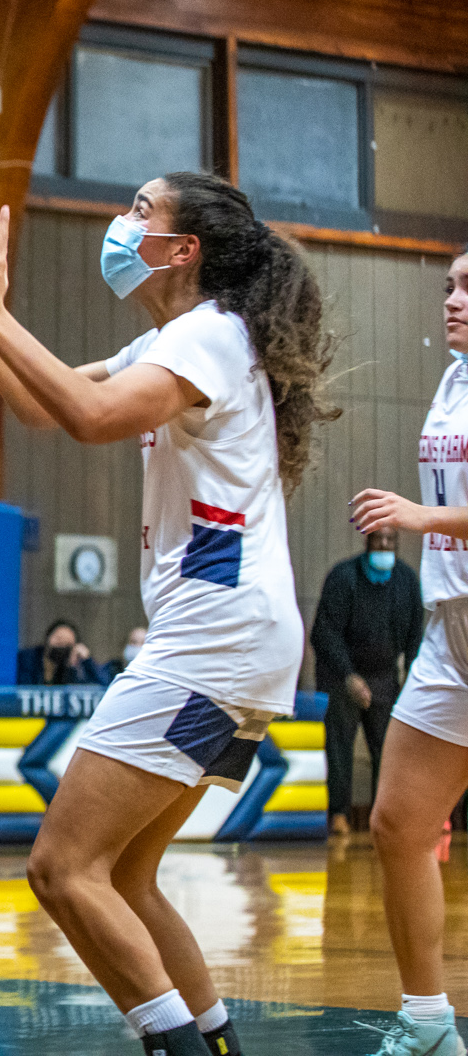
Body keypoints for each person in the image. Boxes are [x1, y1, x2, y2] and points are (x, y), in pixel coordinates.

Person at [0, 173, 335, 1056]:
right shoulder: (177, 338)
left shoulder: (211, 335)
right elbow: (40, 402)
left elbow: (91, 416)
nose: (123, 223)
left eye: (140, 211)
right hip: (236, 641)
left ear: (183, 250)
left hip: (214, 642)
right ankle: (216, 1044)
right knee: (127, 875)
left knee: (61, 867)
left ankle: (175, 1048)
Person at [349, 244, 468, 1056]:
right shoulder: (455, 376)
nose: (451, 298)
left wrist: (419, 520)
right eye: (451, 285)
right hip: (451, 625)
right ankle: (428, 1019)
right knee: (397, 820)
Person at [309, 527, 423, 835]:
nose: (384, 545)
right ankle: (340, 815)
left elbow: (416, 638)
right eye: (378, 539)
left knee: (387, 751)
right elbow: (324, 633)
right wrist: (349, 676)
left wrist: (411, 685)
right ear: (367, 541)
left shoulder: (407, 580)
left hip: (385, 676)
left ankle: (381, 818)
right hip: (342, 676)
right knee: (339, 748)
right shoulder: (343, 577)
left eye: (390, 540)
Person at [17, 620, 109, 687]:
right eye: (58, 640)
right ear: (48, 638)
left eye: (67, 644)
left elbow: (101, 686)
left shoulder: (69, 667)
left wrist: (85, 662)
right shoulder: (28, 658)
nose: (61, 646)